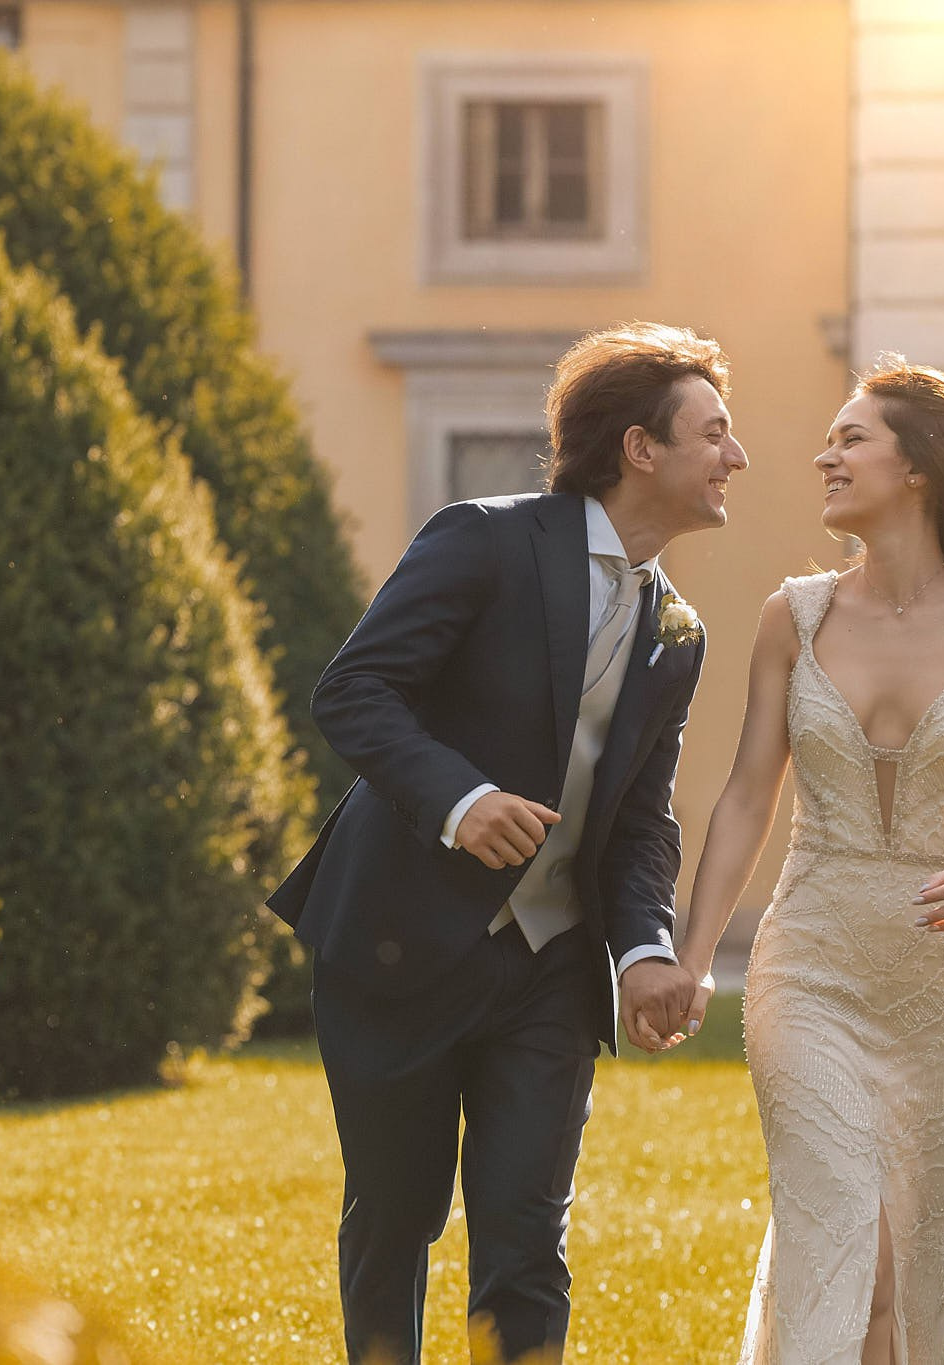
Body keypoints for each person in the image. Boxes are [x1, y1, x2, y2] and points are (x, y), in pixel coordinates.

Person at [265, 322, 746, 1364]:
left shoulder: (678, 633)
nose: (736, 456)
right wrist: (462, 799)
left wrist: (645, 949)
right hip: (396, 939)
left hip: (550, 969)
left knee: (527, 1242)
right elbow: (354, 689)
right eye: (713, 432)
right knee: (396, 1216)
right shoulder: (482, 539)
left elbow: (641, 818)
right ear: (639, 448)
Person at [673, 358, 944, 1364]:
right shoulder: (793, 615)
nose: (826, 456)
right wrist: (692, 957)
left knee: (913, 1280)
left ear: (918, 466)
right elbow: (745, 797)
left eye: (850, 438)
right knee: (837, 1248)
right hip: (810, 970)